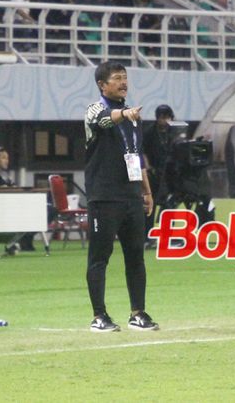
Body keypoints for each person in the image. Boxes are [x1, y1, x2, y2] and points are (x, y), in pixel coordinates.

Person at [84, 61, 158, 332]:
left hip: (131, 196)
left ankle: (138, 313)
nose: (123, 82)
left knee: (136, 255)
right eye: (117, 78)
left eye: (125, 77)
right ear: (102, 85)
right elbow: (104, 120)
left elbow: (137, 155)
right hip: (104, 197)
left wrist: (146, 191)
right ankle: (99, 315)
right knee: (99, 257)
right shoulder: (95, 109)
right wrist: (124, 114)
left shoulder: (133, 117)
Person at [142, 104, 174, 249]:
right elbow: (142, 151)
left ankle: (167, 236)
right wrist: (147, 168)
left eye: (167, 117)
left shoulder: (174, 132)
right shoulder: (149, 132)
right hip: (153, 174)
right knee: (150, 205)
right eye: (162, 118)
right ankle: (147, 237)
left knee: (169, 205)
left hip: (169, 173)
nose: (165, 121)